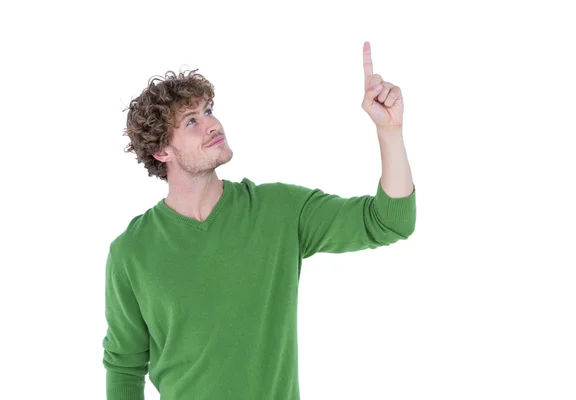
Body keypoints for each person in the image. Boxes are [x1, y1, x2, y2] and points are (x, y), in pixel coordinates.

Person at [102, 42, 416, 400]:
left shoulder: (279, 210)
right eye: (192, 121)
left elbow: (390, 221)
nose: (212, 124)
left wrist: (390, 133)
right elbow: (125, 368)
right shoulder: (132, 252)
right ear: (162, 151)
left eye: (208, 110)